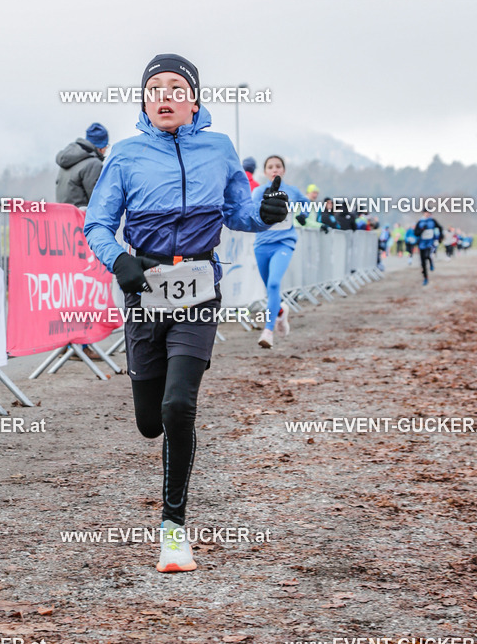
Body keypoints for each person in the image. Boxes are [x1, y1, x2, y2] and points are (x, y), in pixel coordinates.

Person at [83, 53, 288, 574]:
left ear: (194, 100)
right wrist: (120, 260)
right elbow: (97, 227)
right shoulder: (125, 156)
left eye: (177, 88)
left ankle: (173, 529)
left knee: (179, 407)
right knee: (150, 422)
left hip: (198, 290)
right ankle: (161, 451)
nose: (166, 96)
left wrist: (264, 216)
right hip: (144, 290)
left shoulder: (218, 148)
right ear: (145, 102)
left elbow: (239, 212)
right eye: (156, 89)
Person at [252, 155, 308, 350]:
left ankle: (268, 331)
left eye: (278, 166)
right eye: (270, 167)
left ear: (283, 170)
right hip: (262, 244)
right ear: (265, 171)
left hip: (284, 243)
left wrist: (303, 215)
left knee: (275, 284)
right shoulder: (259, 191)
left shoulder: (291, 191)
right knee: (269, 289)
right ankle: (281, 312)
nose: (274, 169)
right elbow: (250, 212)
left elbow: (307, 203)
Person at [56, 122, 109, 207]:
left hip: (64, 216)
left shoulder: (69, 159)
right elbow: (96, 199)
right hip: (81, 217)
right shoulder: (94, 164)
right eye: (106, 146)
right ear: (101, 147)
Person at [414, 213, 444, 285]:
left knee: (427, 255)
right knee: (423, 262)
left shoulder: (433, 221)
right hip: (422, 244)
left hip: (430, 243)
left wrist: (440, 237)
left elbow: (440, 228)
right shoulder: (420, 222)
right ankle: (425, 277)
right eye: (426, 213)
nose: (427, 214)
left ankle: (431, 263)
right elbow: (416, 233)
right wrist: (422, 229)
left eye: (429, 213)